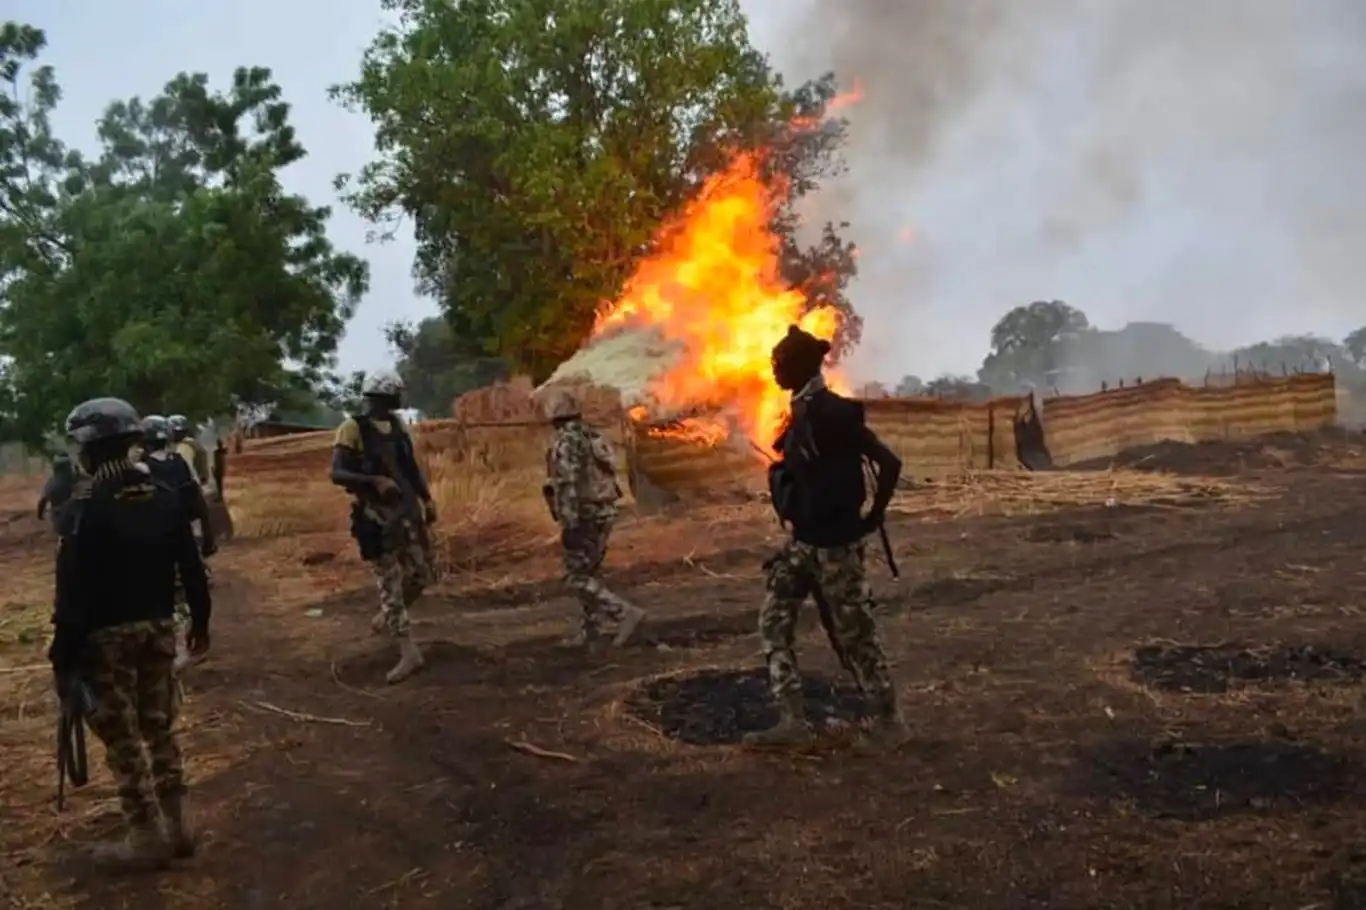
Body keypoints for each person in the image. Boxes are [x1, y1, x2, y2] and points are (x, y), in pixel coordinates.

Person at [48, 397, 211, 870]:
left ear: (89, 450)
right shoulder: (162, 493)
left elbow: (71, 591)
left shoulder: (84, 506)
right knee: (158, 724)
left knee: (122, 738)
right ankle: (179, 827)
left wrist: (63, 654)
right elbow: (191, 564)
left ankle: (145, 834)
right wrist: (199, 620)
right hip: (159, 629)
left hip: (105, 639)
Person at [744, 325, 907, 750]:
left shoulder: (833, 413)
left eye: (780, 364)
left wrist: (872, 518)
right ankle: (793, 720)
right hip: (805, 544)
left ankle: (889, 721)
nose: (774, 371)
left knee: (856, 635)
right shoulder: (800, 411)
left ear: (800, 367)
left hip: (836, 546)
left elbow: (889, 462)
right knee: (773, 622)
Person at [330, 370, 437, 683]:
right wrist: (374, 481)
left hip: (405, 512)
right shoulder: (352, 429)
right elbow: (337, 473)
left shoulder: (396, 426)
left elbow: (410, 467)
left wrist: (426, 499)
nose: (400, 399)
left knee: (421, 574)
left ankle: (389, 614)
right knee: (389, 582)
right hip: (375, 518)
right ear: (382, 395)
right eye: (396, 393)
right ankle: (407, 652)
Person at [541, 388, 645, 649]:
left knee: (575, 577)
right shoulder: (592, 435)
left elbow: (567, 483)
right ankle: (591, 631)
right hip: (604, 512)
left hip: (584, 516)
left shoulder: (565, 441)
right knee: (589, 573)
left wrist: (569, 522)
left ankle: (625, 613)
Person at [138, 415, 216, 671]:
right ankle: (185, 643)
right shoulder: (180, 461)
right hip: (186, 533)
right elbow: (197, 496)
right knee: (190, 584)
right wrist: (208, 533)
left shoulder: (141, 468)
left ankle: (169, 652)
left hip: (155, 541)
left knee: (163, 594)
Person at [37, 450, 79, 533]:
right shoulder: (75, 480)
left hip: (59, 520)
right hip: (75, 519)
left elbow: (42, 502)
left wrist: (40, 515)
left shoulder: (51, 482)